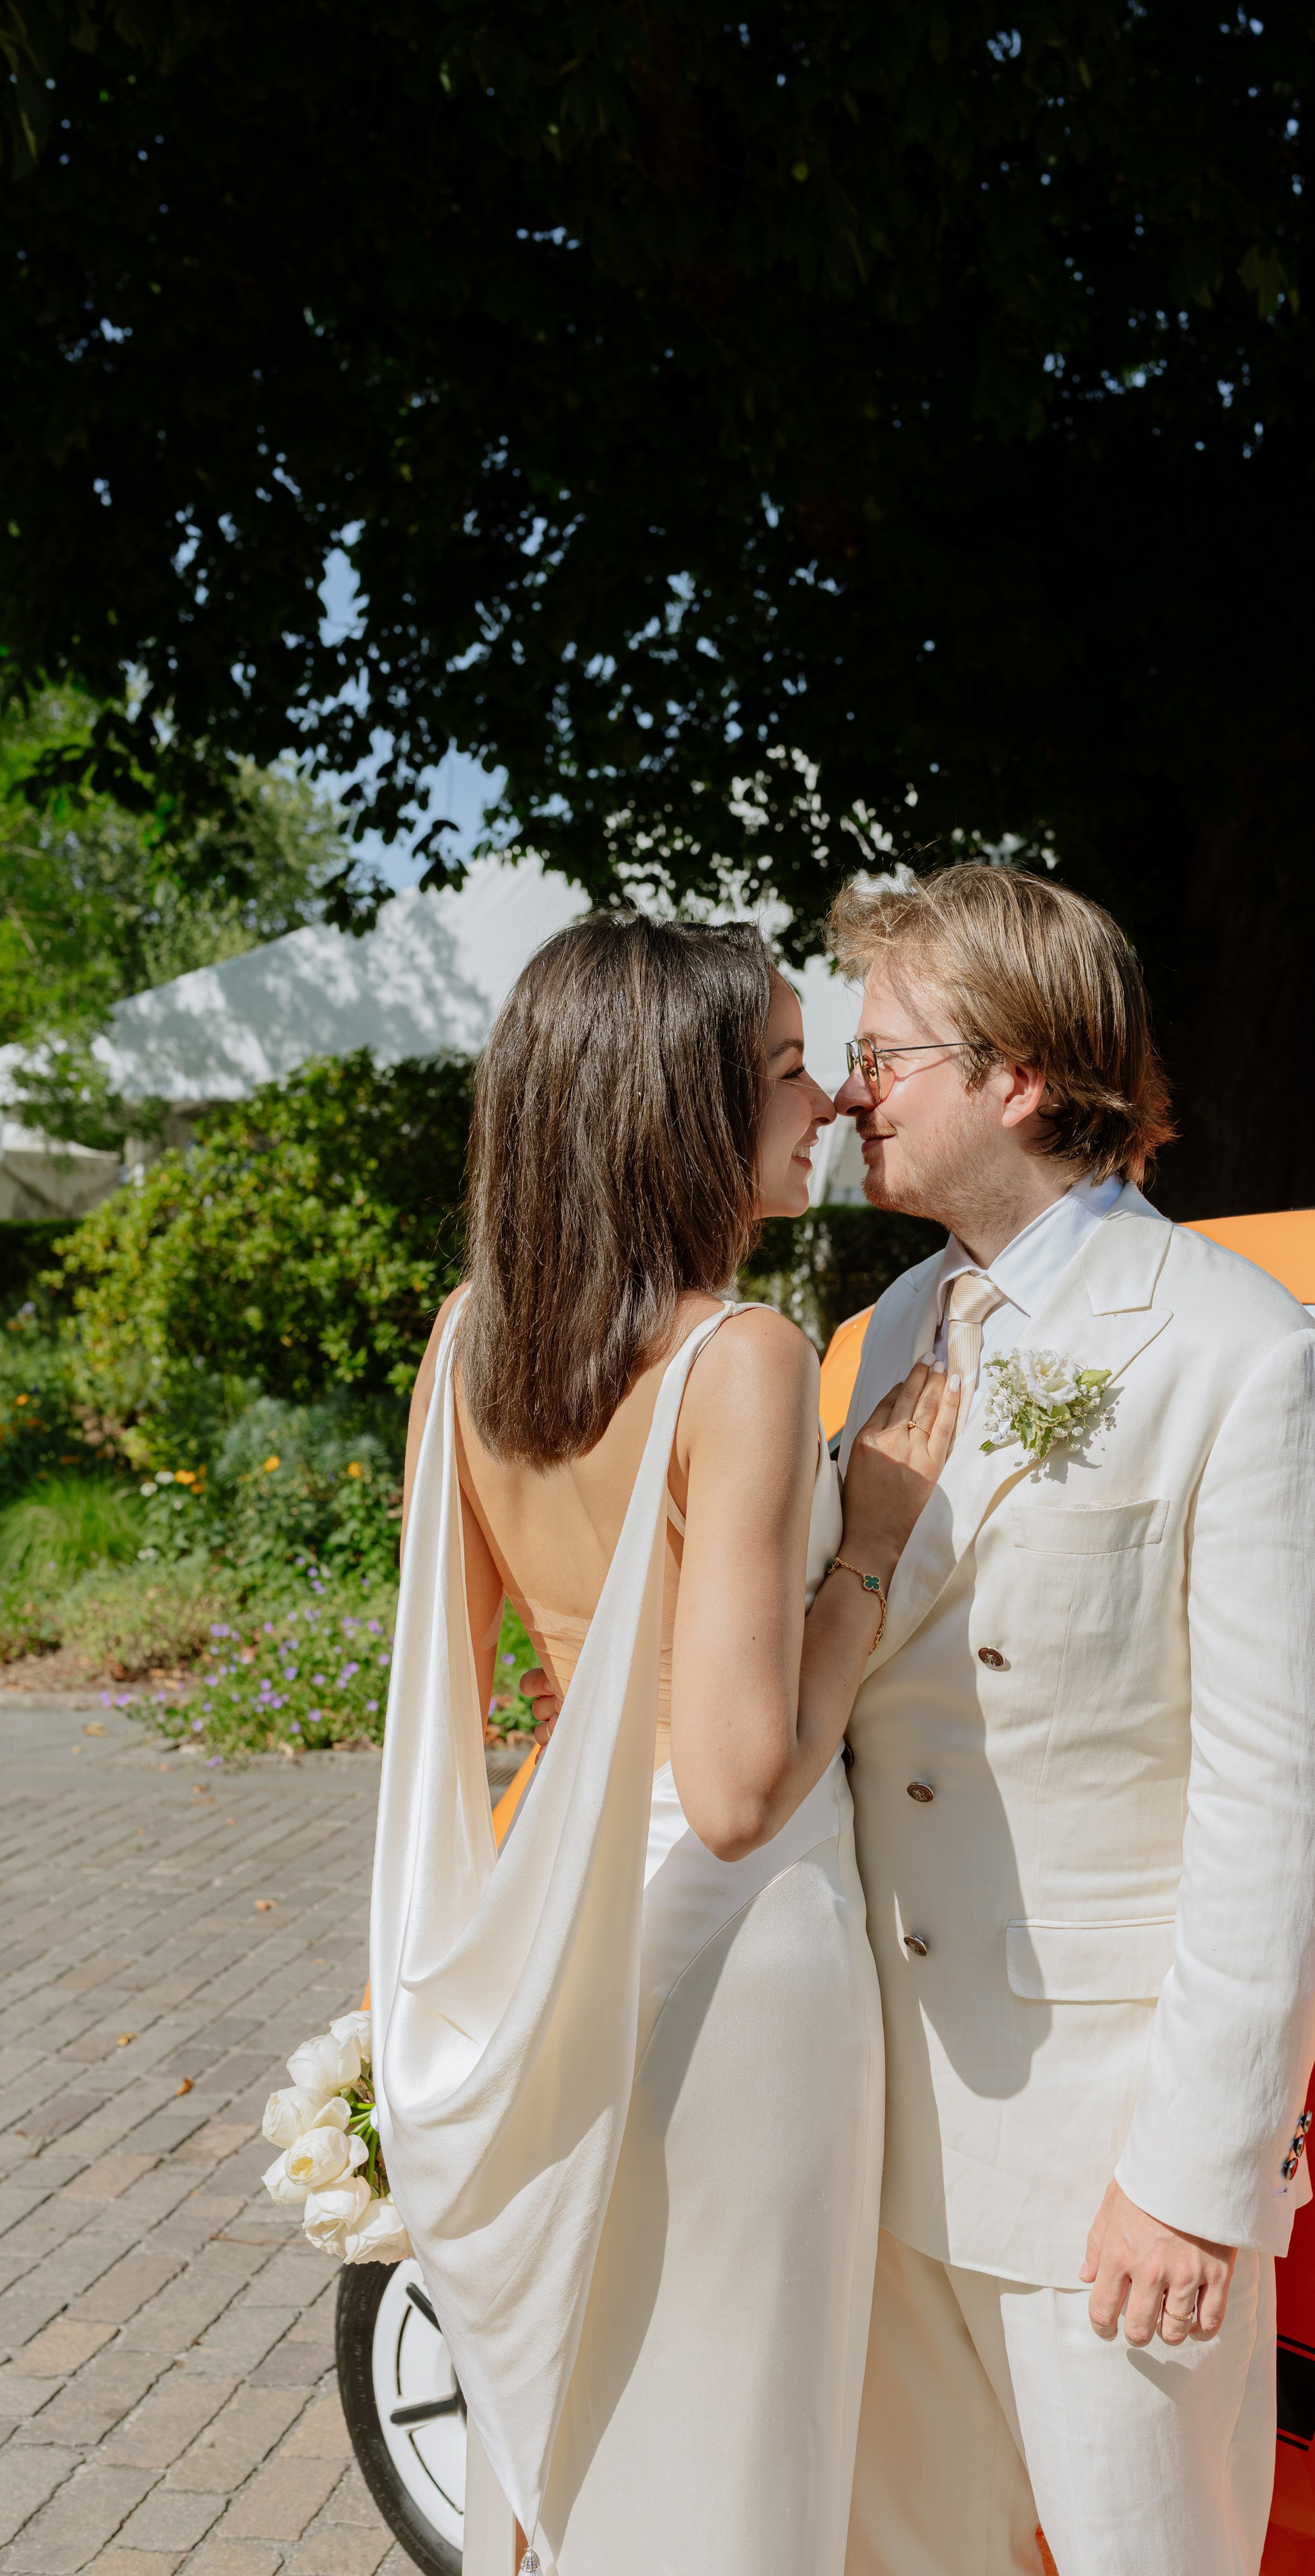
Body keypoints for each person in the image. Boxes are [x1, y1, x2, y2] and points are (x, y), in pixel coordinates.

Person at [368, 915, 959, 2576]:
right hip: (734, 1966)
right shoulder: (742, 1355)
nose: (831, 1097)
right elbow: (734, 1786)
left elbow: (481, 1685)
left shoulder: (469, 1342)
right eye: (785, 1066)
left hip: (561, 1940)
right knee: (731, 2440)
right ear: (673, 1104)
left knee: (593, 2418)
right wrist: (876, 1536)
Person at [825, 864, 1315, 2576]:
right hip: (881, 2129)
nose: (851, 1090)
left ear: (1011, 1074)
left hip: (1098, 2164)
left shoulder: (1237, 1352)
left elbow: (1286, 1798)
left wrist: (1192, 2172)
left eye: (882, 1052)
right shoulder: (897, 1323)